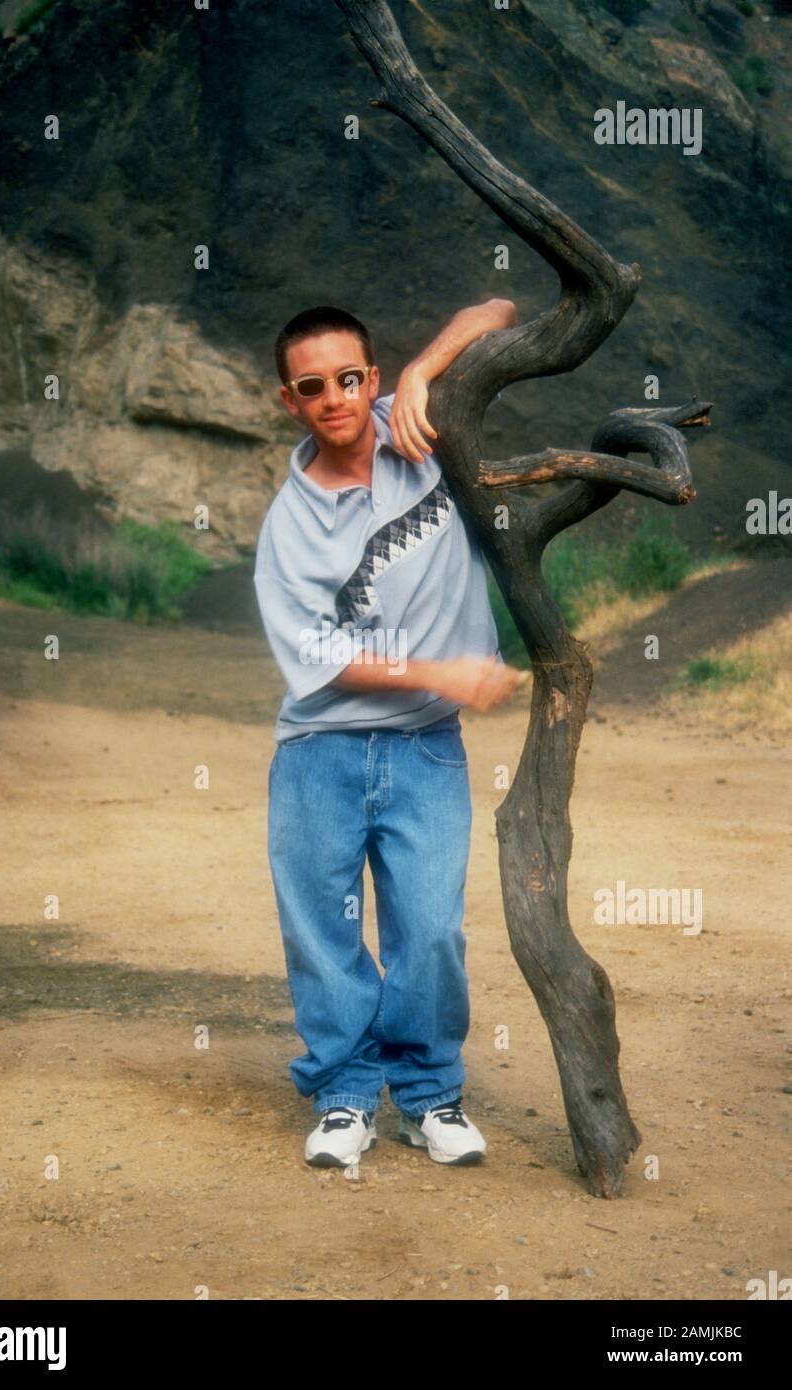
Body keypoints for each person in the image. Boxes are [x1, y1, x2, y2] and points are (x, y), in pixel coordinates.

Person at [254, 302, 525, 1169]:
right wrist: (439, 673)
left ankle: (427, 1095)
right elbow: (320, 657)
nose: (333, 397)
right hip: (318, 754)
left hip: (425, 750)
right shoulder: (286, 528)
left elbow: (500, 311)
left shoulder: (425, 437)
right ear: (289, 402)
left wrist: (423, 370)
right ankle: (341, 1097)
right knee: (322, 931)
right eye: (311, 387)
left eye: (349, 378)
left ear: (367, 380)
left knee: (430, 928)